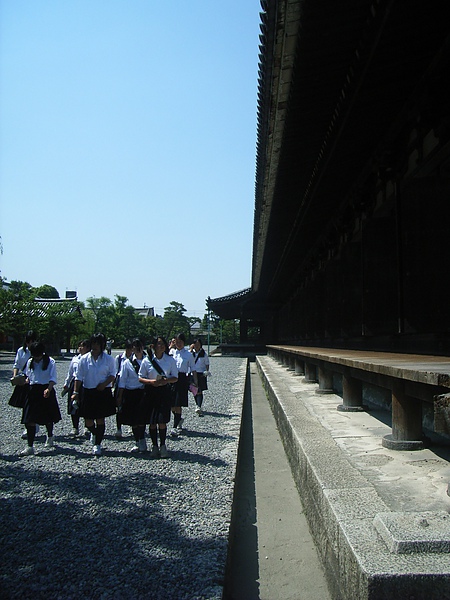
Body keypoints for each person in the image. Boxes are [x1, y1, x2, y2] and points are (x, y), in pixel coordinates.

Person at [72, 333, 116, 456]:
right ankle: (95, 433)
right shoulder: (84, 359)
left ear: (102, 345)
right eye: (93, 343)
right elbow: (78, 376)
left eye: (98, 343)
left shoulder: (108, 359)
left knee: (100, 418)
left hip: (102, 391)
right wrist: (75, 392)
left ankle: (97, 444)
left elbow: (113, 374)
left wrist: (105, 384)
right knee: (88, 421)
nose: (95, 346)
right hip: (88, 391)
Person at [20, 341, 61, 456]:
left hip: (45, 389)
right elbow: (28, 375)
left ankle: (50, 435)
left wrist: (49, 388)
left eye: (38, 354)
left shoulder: (50, 361)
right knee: (29, 419)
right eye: (34, 354)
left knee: (48, 417)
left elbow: (53, 377)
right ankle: (30, 446)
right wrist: (25, 381)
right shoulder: (30, 362)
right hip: (32, 391)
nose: (36, 357)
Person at [139, 336, 178, 458]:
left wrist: (165, 381)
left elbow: (175, 377)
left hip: (164, 392)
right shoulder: (147, 360)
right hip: (151, 391)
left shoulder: (170, 360)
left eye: (163, 344)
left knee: (162, 421)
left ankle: (163, 445)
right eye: (158, 344)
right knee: (152, 422)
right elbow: (140, 377)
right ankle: (154, 445)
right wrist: (151, 382)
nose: (161, 346)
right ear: (154, 346)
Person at [115, 339, 147, 453]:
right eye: (135, 346)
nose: (137, 349)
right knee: (133, 420)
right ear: (132, 348)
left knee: (142, 418)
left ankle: (142, 439)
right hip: (130, 393)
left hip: (143, 392)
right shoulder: (127, 362)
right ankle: (137, 440)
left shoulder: (148, 361)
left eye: (139, 346)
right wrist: (119, 396)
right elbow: (122, 381)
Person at [10, 331, 40, 439]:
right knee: (24, 404)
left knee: (31, 404)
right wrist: (15, 376)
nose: (30, 343)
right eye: (28, 341)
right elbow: (16, 364)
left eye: (32, 341)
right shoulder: (21, 351)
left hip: (33, 381)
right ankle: (30, 425)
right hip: (22, 380)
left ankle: (32, 425)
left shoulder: (38, 352)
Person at [169, 333, 198, 437]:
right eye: (177, 341)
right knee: (171, 405)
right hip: (171, 378)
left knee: (178, 403)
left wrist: (195, 382)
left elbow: (193, 369)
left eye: (180, 341)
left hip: (182, 379)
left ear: (184, 342)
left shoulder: (188, 354)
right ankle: (179, 419)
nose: (179, 343)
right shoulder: (171, 352)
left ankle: (174, 426)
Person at [61, 339, 90, 437]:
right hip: (75, 383)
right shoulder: (75, 359)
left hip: (86, 383)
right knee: (73, 405)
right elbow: (70, 373)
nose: (80, 348)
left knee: (85, 405)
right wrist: (66, 383)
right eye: (79, 346)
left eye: (83, 346)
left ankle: (87, 426)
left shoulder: (89, 359)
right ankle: (75, 427)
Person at [113, 340, 133, 439]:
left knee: (131, 406)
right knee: (119, 407)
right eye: (129, 349)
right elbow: (115, 372)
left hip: (130, 384)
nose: (130, 351)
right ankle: (118, 428)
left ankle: (131, 425)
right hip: (120, 383)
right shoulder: (119, 358)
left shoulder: (135, 359)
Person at [190, 338, 211, 416]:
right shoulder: (190, 353)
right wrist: (190, 350)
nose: (197, 346)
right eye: (195, 344)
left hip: (201, 373)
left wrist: (206, 371)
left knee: (199, 390)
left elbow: (207, 363)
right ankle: (197, 405)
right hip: (192, 373)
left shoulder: (203, 353)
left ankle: (198, 406)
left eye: (198, 344)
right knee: (194, 390)